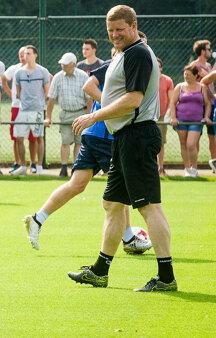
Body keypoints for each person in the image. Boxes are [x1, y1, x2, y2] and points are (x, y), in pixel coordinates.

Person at [69, 5, 177, 292]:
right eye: (110, 31)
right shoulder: (124, 54)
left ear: (133, 26)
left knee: (148, 207)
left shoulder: (139, 53)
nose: (115, 35)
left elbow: (133, 99)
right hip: (124, 138)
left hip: (137, 136)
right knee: (112, 204)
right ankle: (100, 271)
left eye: (120, 29)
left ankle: (166, 278)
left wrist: (95, 114)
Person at [23, 47, 152, 255]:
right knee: (120, 188)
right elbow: (88, 86)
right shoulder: (113, 67)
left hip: (94, 135)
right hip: (104, 136)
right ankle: (128, 238)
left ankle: (38, 219)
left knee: (77, 184)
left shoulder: (134, 70)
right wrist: (109, 107)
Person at [46, 52, 90, 177]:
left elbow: (89, 99)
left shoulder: (83, 76)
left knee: (79, 141)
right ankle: (64, 167)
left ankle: (75, 167)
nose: (63, 66)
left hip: (80, 113)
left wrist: (87, 115)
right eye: (62, 64)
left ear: (73, 64)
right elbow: (51, 98)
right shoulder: (58, 77)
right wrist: (48, 117)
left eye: (65, 64)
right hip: (65, 114)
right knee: (65, 141)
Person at [12, 45, 50, 175]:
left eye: (28, 53)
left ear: (35, 55)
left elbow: (47, 92)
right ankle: (23, 167)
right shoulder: (19, 73)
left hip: (38, 110)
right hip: (22, 111)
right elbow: (18, 93)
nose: (25, 56)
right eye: (24, 54)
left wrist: (39, 104)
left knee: (39, 138)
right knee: (19, 138)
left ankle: (39, 167)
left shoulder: (43, 71)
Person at [169, 64, 212, 177]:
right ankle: (187, 169)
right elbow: (172, 103)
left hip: (196, 122)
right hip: (181, 121)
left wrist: (206, 117)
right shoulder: (179, 86)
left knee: (191, 145)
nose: (186, 76)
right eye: (185, 74)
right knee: (183, 144)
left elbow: (207, 104)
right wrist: (173, 117)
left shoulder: (202, 87)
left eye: (188, 74)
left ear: (195, 75)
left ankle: (194, 169)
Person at [2, 46, 37, 175]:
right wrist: (10, 95)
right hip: (16, 107)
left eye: (25, 54)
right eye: (20, 54)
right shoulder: (14, 68)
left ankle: (33, 163)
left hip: (32, 107)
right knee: (16, 137)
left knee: (33, 138)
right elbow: (3, 79)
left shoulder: (36, 69)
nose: (23, 57)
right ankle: (18, 163)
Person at [157, 58, 174, 175]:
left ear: (161, 67)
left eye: (158, 66)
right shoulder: (146, 77)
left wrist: (169, 114)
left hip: (161, 117)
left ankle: (161, 167)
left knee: (160, 143)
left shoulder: (167, 80)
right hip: (147, 116)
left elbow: (172, 99)